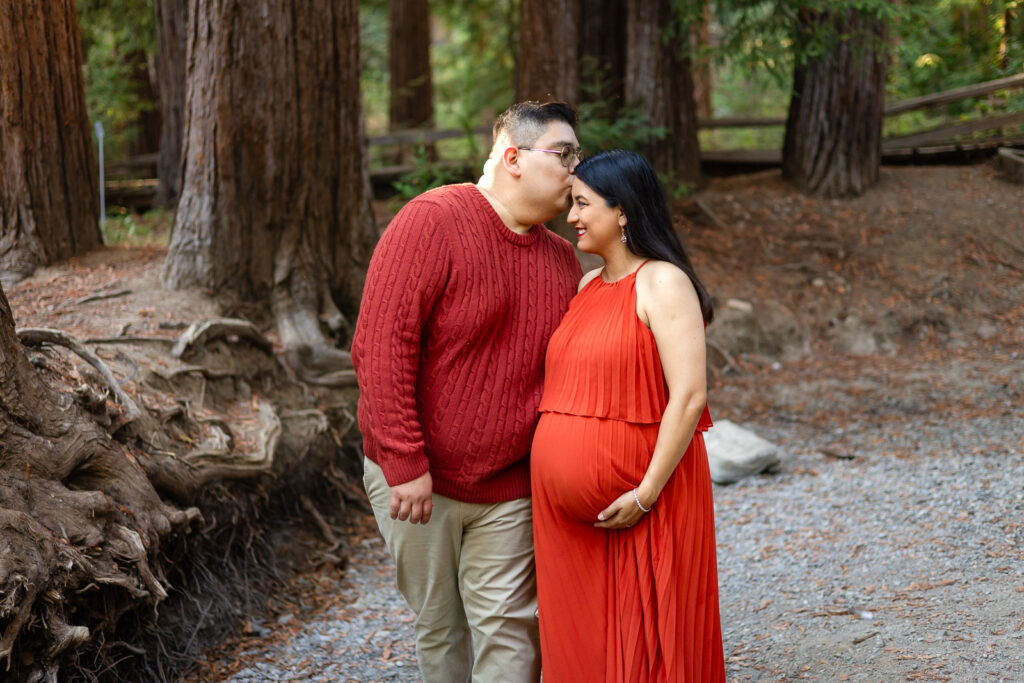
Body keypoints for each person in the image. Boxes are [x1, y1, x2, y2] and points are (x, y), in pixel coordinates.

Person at [351, 101, 584, 683]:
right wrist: (405, 460)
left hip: (509, 487)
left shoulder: (561, 261)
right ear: (513, 157)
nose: (575, 170)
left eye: (577, 156)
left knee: (510, 627)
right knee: (440, 627)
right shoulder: (432, 220)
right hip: (418, 482)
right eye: (563, 154)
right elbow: (381, 344)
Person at [531, 149, 725, 682]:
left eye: (582, 204)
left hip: (645, 504)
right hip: (564, 521)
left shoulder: (662, 282)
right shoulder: (585, 286)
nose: (571, 216)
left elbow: (689, 395)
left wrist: (645, 494)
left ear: (622, 211)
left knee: (649, 641)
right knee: (580, 646)